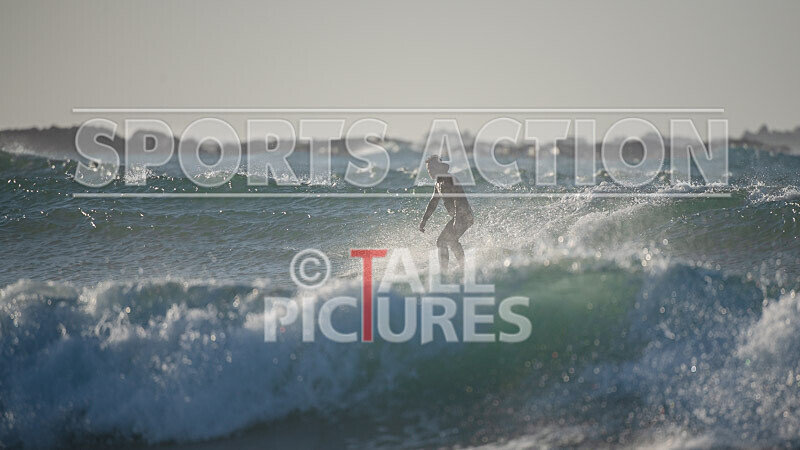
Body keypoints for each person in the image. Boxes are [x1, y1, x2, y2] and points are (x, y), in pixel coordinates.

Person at [419, 156, 474, 271]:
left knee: (445, 241)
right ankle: (455, 269)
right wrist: (424, 220)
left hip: (464, 216)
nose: (429, 171)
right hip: (458, 217)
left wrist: (457, 219)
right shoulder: (438, 182)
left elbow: (457, 198)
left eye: (432, 168)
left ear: (439, 167)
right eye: (428, 169)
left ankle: (457, 269)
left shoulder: (449, 180)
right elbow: (433, 202)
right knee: (445, 242)